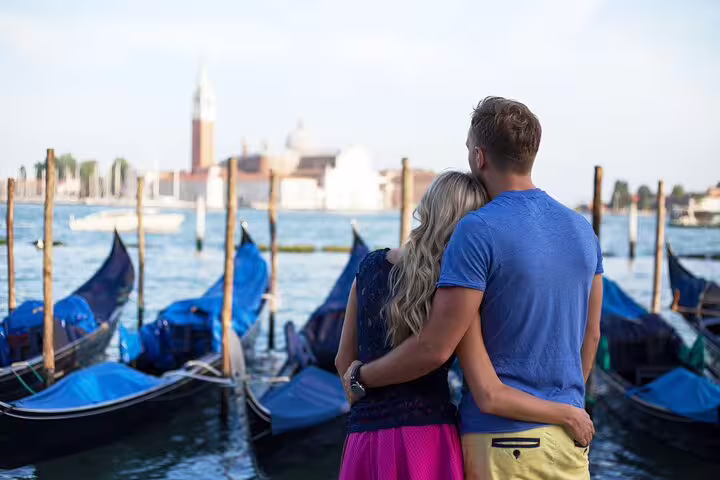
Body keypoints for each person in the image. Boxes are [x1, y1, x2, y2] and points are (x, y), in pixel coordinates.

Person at [343, 96, 603, 480]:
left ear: (480, 157)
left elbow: (435, 346)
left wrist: (360, 378)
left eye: (467, 149)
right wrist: (563, 406)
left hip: (502, 443)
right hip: (568, 438)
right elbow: (592, 335)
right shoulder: (583, 229)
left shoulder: (476, 230)